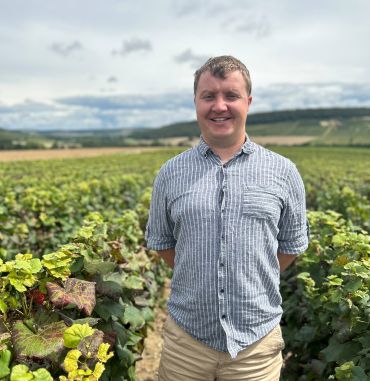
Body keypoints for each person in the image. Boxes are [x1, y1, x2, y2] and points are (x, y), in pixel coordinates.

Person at [145, 55, 309, 381]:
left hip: (256, 346)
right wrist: (198, 274)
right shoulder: (170, 173)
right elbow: (162, 243)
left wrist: (252, 277)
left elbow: (291, 244)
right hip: (186, 343)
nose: (219, 106)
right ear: (196, 102)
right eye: (209, 96)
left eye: (231, 96)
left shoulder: (284, 172)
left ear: (248, 101)